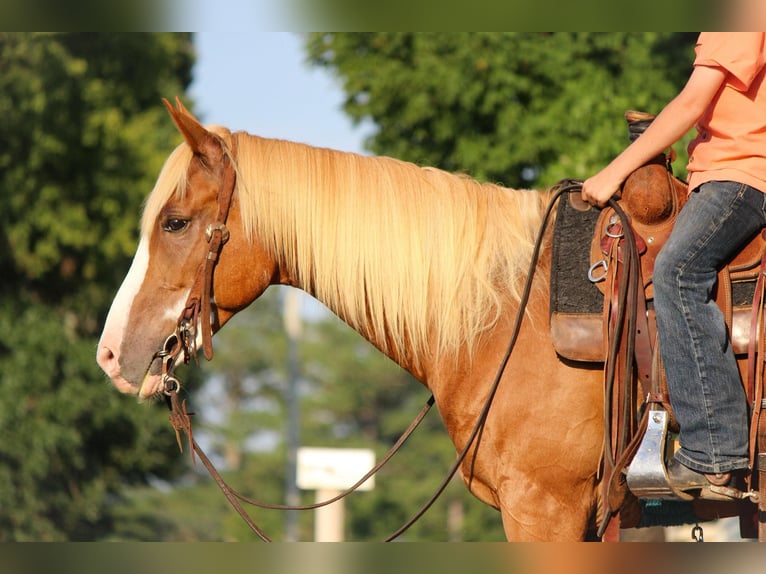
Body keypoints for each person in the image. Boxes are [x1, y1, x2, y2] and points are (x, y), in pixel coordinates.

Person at [582, 32, 766, 497]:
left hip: (742, 176)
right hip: (720, 171)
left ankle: (713, 453)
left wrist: (614, 171)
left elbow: (690, 105)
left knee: (678, 273)